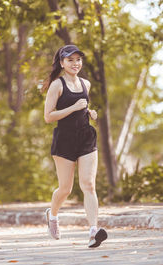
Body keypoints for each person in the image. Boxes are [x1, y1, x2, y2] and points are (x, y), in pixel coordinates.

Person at [42, 44, 108, 248]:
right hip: (65, 140)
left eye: (78, 59)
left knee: (88, 185)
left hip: (86, 137)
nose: (75, 63)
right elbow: (48, 116)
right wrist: (73, 108)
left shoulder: (85, 84)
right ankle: (52, 215)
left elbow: (83, 107)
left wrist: (90, 113)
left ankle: (93, 232)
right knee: (65, 189)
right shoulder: (57, 85)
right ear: (62, 63)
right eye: (70, 60)